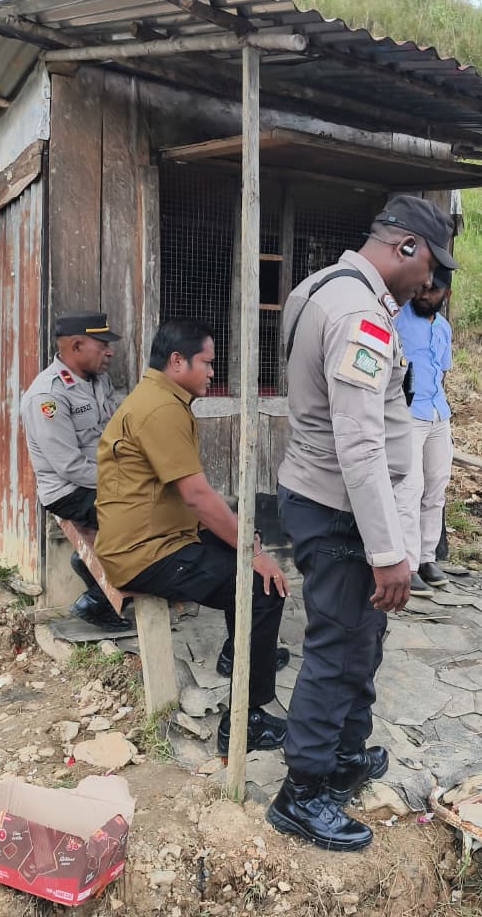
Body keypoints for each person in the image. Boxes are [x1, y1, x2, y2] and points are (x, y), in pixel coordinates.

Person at [268, 195, 456, 852]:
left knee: (361, 637)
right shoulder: (360, 318)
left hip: (331, 499)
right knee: (338, 646)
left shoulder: (324, 287)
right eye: (430, 269)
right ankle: (303, 793)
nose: (430, 285)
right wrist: (389, 550)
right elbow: (360, 442)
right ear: (405, 248)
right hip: (342, 508)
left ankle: (346, 754)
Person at [94, 318, 293, 755]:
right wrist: (250, 553)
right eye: (206, 362)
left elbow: (190, 498)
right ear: (177, 360)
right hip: (144, 553)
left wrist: (243, 539)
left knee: (240, 544)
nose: (211, 373)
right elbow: (198, 496)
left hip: (151, 537)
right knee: (263, 587)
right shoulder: (161, 408)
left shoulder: (159, 398)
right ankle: (248, 719)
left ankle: (239, 655)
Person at [20, 311, 125, 630]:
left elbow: (113, 424)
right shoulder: (48, 395)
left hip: (99, 480)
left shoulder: (99, 380)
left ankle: (87, 563)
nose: (110, 352)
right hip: (68, 491)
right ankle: (96, 600)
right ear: (77, 346)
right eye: (102, 345)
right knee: (143, 517)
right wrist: (124, 483)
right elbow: (69, 467)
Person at [394, 265, 455, 596]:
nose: (424, 295)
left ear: (445, 294)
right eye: (423, 289)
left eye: (433, 291)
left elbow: (442, 372)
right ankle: (407, 564)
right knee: (409, 487)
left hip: (438, 414)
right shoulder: (400, 317)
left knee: (436, 486)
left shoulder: (443, 328)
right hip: (408, 413)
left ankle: (427, 557)